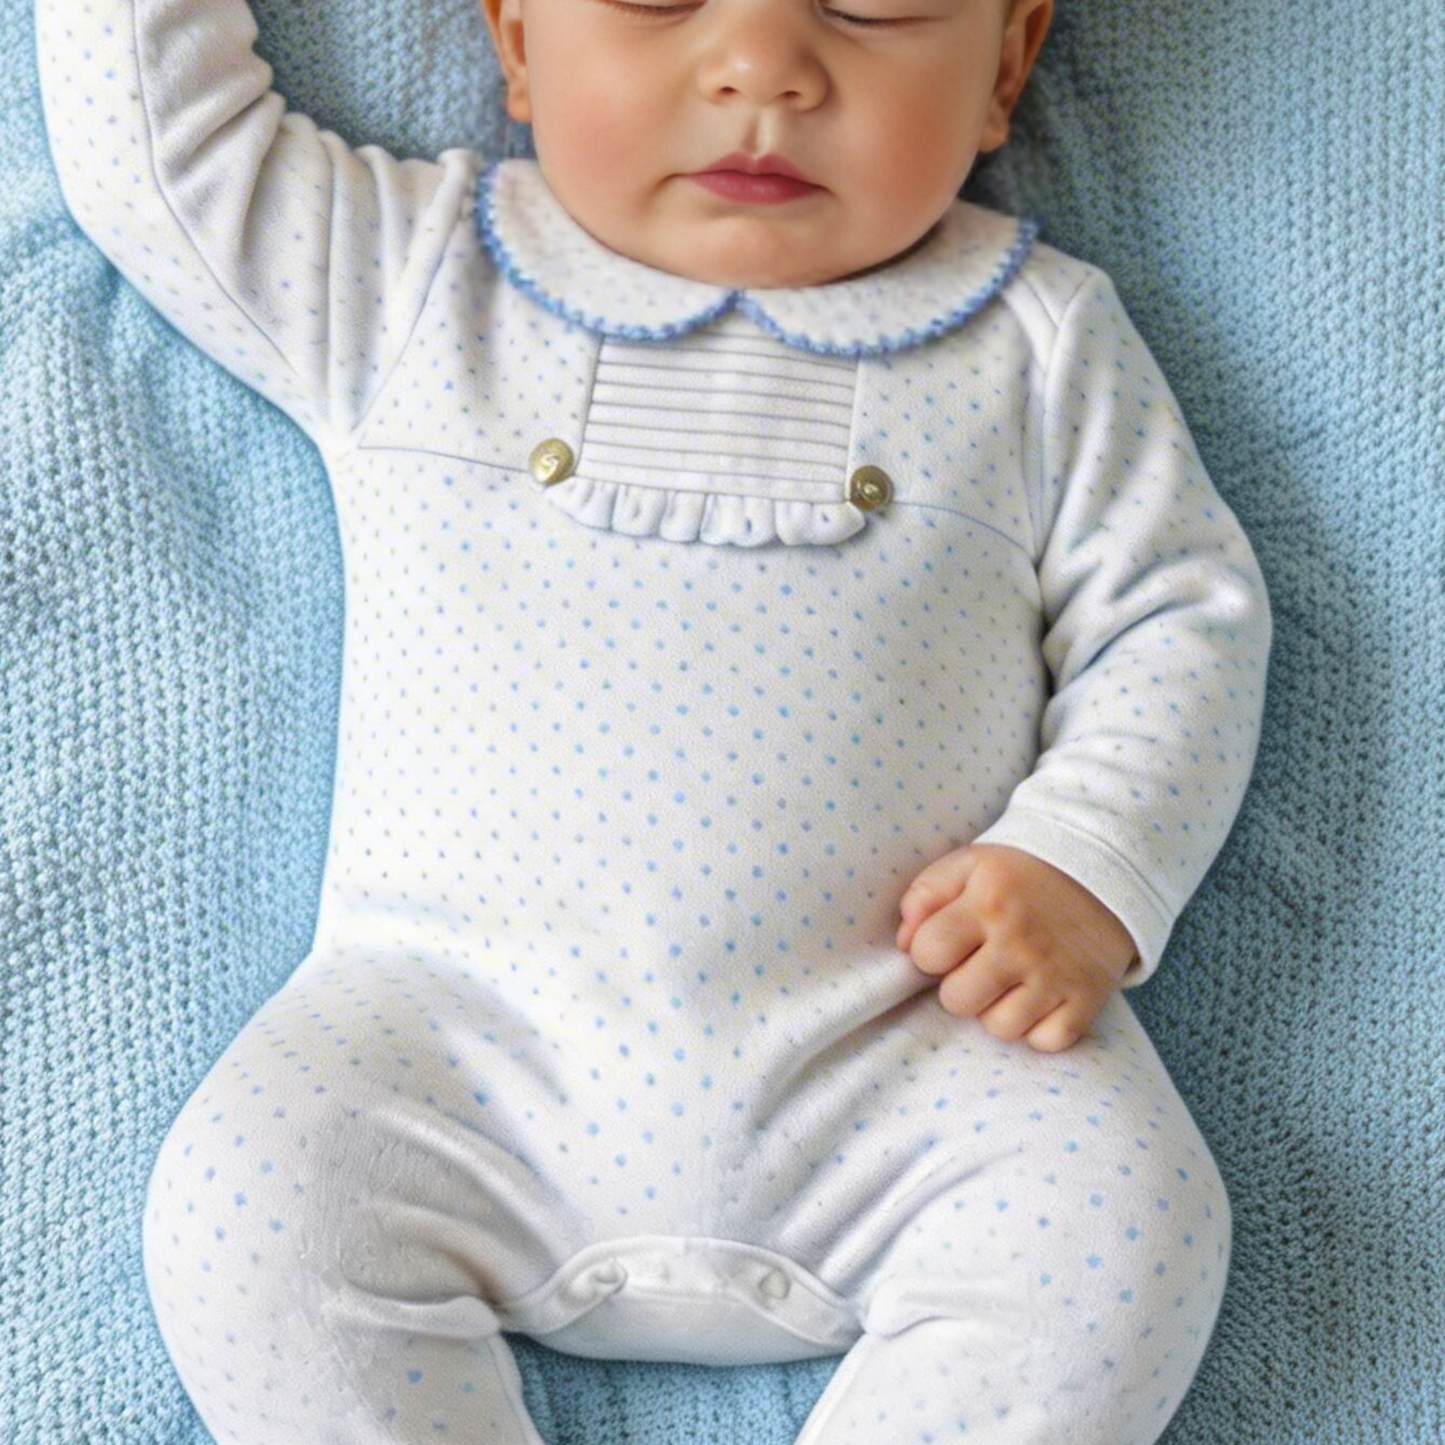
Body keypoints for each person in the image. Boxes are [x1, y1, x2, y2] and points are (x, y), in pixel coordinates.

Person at [34, 0, 1271, 1440]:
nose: (764, 68)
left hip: (907, 1055)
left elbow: (1178, 619)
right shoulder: (410, 279)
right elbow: (158, 160)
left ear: (1006, 62)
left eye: (871, 5)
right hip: (450, 1043)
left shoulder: (1037, 341)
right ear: (511, 41)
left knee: (1127, 1224)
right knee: (246, 1202)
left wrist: (1086, 860)